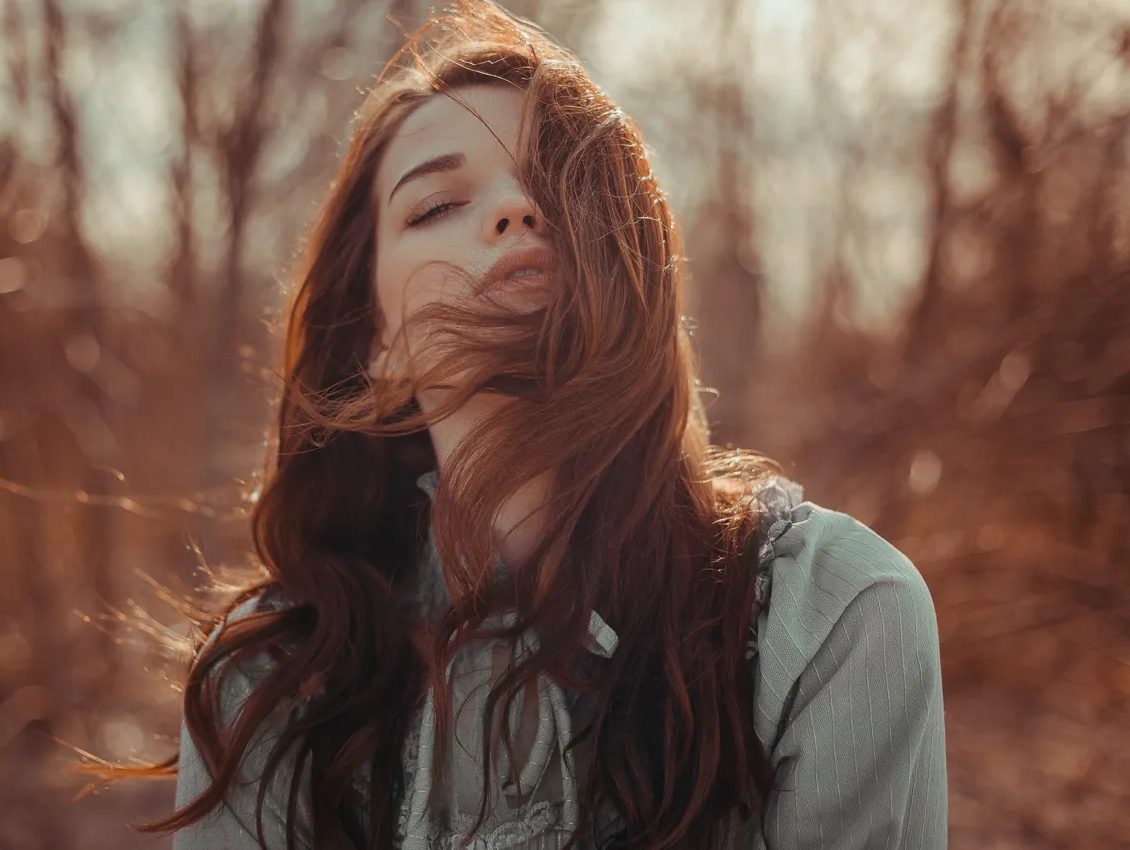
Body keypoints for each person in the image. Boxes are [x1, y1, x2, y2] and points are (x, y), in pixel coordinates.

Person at [102, 1, 948, 847]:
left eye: (559, 181)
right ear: (374, 341)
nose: (516, 208)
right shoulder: (267, 679)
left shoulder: (834, 619)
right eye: (436, 205)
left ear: (634, 257)